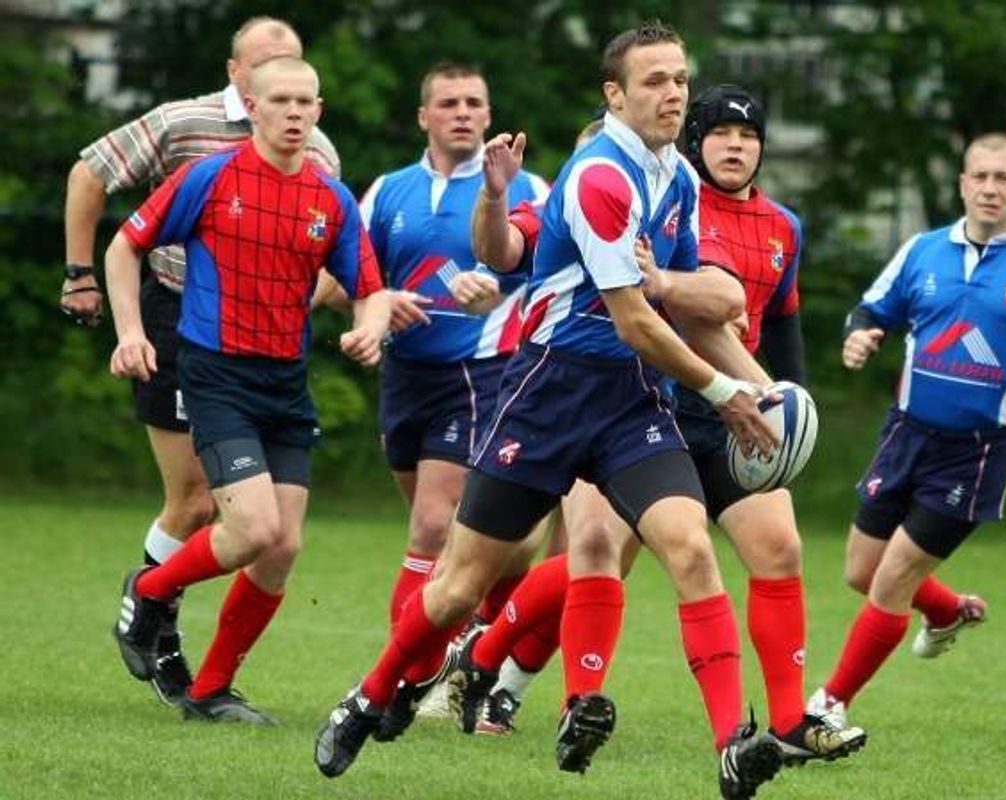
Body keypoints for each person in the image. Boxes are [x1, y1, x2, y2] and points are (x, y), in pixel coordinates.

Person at [315, 23, 785, 800]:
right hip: (548, 394)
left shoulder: (675, 177)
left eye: (679, 79)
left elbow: (696, 311)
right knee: (461, 587)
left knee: (690, 549)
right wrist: (723, 394)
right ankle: (369, 697)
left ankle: (732, 745)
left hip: (631, 400)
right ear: (615, 94)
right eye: (654, 82)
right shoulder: (602, 175)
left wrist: (761, 388)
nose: (673, 95)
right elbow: (632, 317)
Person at [448, 84, 868, 765]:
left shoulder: (780, 225)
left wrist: (784, 401)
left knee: (780, 548)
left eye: (750, 135)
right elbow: (642, 293)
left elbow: (753, 313)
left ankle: (790, 720)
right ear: (692, 141)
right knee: (596, 554)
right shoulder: (655, 194)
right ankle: (506, 669)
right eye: (722, 133)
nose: (737, 145)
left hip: (730, 415)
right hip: (640, 405)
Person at [62, 16, 339, 704]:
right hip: (181, 320)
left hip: (269, 348)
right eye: (266, 67)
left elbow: (333, 250)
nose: (285, 88)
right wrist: (79, 274)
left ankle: (188, 655)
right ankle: (158, 626)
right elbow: (90, 172)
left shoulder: (317, 150)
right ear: (236, 73)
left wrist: (319, 301)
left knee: (271, 537)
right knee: (193, 502)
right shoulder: (183, 124)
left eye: (296, 71)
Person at [806, 132, 1006, 727]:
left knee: (894, 577)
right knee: (861, 570)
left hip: (976, 453)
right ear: (961, 183)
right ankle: (948, 610)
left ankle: (828, 706)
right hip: (904, 435)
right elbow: (871, 309)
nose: (989, 188)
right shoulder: (922, 250)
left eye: (1004, 178)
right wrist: (860, 334)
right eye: (979, 176)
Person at [106, 56, 388, 724]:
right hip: (217, 375)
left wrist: (368, 329)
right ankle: (150, 591)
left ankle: (209, 690)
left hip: (285, 382)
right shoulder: (210, 177)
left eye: (305, 102)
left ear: (319, 112)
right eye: (280, 100)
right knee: (254, 528)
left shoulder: (331, 198)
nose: (294, 112)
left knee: (282, 547)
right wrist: (129, 331)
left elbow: (369, 290)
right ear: (253, 107)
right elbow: (125, 246)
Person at [356, 62, 550, 640]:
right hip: (404, 376)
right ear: (423, 117)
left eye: (473, 102)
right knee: (466, 539)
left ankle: (399, 678)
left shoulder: (529, 190)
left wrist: (500, 289)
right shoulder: (389, 191)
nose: (462, 113)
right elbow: (347, 281)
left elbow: (558, 280)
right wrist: (379, 302)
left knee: (433, 527)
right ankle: (475, 637)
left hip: (482, 376)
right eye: (448, 103)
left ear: (489, 116)